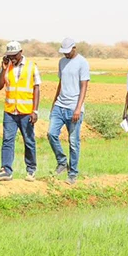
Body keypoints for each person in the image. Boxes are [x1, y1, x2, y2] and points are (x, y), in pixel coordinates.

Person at [0, 41, 40, 182]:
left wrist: (35, 111)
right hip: (10, 111)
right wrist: (4, 69)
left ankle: (31, 170)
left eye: (14, 55)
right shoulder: (7, 67)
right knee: (7, 140)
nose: (12, 58)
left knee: (29, 141)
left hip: (26, 111)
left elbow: (37, 89)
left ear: (21, 52)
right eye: (9, 55)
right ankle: (6, 170)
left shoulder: (32, 66)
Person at [48, 37, 90, 185]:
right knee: (51, 134)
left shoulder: (82, 63)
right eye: (63, 52)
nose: (65, 54)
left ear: (74, 48)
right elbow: (61, 83)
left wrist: (78, 108)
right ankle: (61, 161)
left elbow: (84, 86)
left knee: (73, 142)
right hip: (60, 105)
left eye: (68, 51)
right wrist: (54, 103)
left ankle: (72, 174)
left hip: (74, 108)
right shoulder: (61, 62)